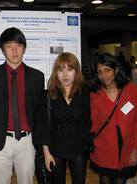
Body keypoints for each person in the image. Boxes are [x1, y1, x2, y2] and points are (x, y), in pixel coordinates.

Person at [0, 27, 45, 184]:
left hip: (27, 141)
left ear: (24, 48)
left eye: (18, 46)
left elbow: (39, 110)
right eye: (9, 46)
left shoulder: (37, 77)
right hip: (0, 140)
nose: (14, 51)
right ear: (3, 49)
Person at [90, 53, 137, 184]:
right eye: (99, 72)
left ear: (115, 70)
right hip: (103, 151)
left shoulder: (132, 90)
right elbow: (93, 122)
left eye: (107, 70)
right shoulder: (95, 94)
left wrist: (136, 148)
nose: (103, 76)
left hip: (126, 150)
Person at [42, 52, 91, 184]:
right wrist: (46, 153)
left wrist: (86, 140)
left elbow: (88, 121)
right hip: (56, 149)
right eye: (60, 70)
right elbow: (45, 126)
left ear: (76, 72)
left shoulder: (85, 93)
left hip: (78, 149)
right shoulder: (49, 95)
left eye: (69, 69)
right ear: (55, 73)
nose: (65, 74)